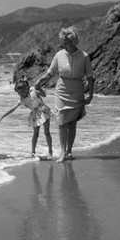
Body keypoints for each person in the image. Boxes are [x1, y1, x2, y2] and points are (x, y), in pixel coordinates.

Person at [35, 26, 94, 162]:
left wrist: (90, 95)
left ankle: (69, 151)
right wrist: (41, 80)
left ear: (74, 41)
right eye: (64, 42)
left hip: (77, 91)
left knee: (72, 123)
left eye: (67, 42)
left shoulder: (84, 56)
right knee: (61, 122)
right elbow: (51, 72)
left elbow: (90, 77)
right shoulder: (59, 55)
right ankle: (62, 152)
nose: (65, 44)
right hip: (62, 91)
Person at [0, 79, 53, 159]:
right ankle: (33, 152)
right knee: (35, 134)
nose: (21, 94)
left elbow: (44, 95)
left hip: (43, 110)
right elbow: (13, 108)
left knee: (46, 132)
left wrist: (39, 89)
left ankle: (50, 152)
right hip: (35, 114)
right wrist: (2, 116)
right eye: (19, 93)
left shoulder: (33, 90)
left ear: (27, 88)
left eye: (22, 92)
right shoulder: (21, 100)